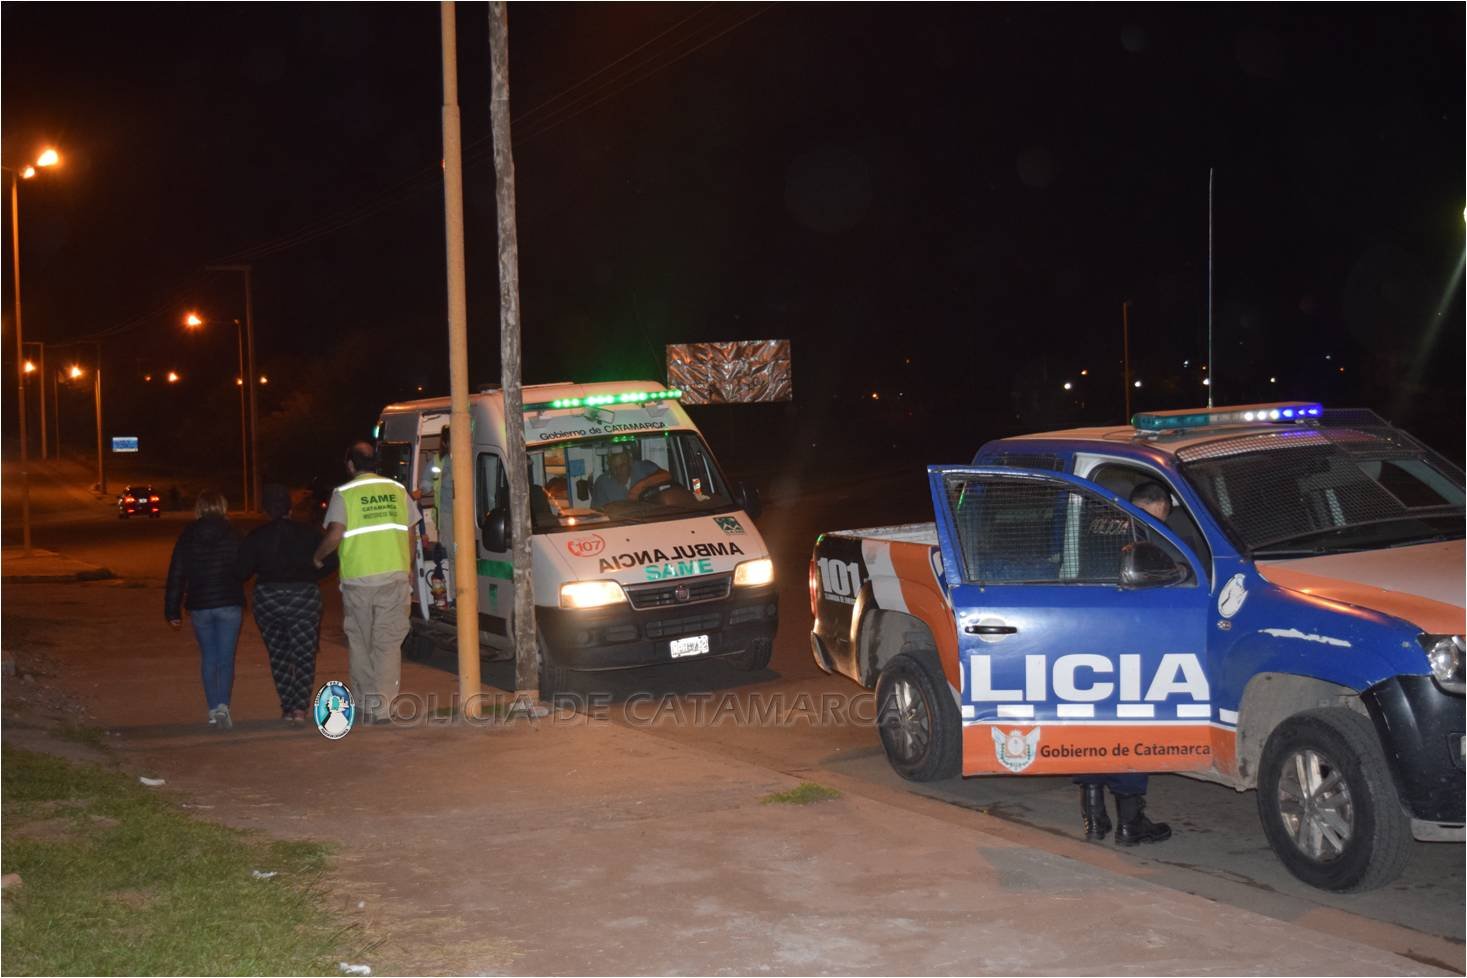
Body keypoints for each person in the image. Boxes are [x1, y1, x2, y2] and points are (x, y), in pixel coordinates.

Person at [1074, 479, 1177, 845]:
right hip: (1133, 640)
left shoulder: (1096, 526)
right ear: (1161, 506)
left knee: (1092, 726)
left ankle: (1094, 818)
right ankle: (1130, 824)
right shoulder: (1154, 536)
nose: (1157, 525)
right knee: (1134, 728)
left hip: (1088, 639)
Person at [313, 442, 420, 724]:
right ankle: (383, 708)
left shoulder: (344, 493)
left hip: (359, 581)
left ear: (350, 465)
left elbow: (335, 534)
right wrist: (407, 566)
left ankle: (364, 702)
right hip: (394, 578)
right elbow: (411, 533)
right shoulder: (397, 491)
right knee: (387, 644)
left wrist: (318, 557)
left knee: (361, 642)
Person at [236, 484, 333, 724]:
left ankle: (287, 706)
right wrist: (313, 575)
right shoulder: (309, 533)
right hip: (303, 596)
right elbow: (331, 561)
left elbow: (241, 571)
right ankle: (300, 708)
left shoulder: (257, 536)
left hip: (268, 598)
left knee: (279, 654)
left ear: (266, 510)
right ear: (290, 509)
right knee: (304, 654)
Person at [165, 489, 245, 730]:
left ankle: (212, 709)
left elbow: (176, 573)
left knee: (209, 657)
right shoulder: (234, 533)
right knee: (226, 658)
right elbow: (244, 567)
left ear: (199, 508)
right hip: (229, 602)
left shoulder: (188, 534)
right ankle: (224, 706)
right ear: (223, 507)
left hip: (200, 604)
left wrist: (172, 610)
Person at [591, 449, 669, 508]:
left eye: (622, 466)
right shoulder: (602, 482)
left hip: (652, 522)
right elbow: (598, 513)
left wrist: (640, 486)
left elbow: (666, 476)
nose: (618, 471)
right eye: (614, 468)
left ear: (630, 462)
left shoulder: (642, 468)